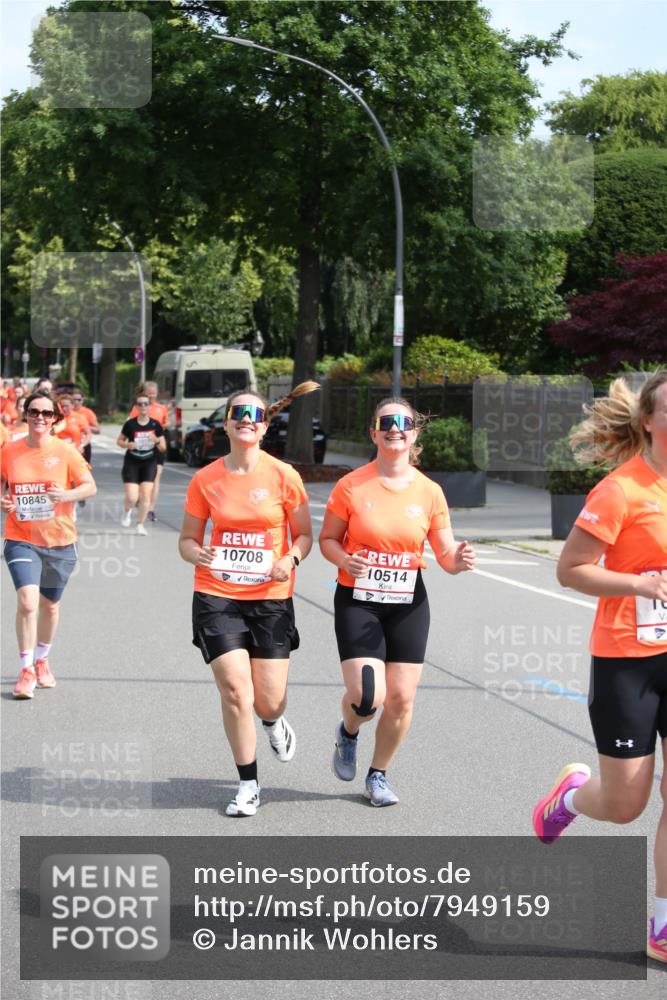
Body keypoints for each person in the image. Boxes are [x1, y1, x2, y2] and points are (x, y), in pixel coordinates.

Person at [531, 372, 667, 964]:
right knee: (626, 806)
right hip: (628, 662)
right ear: (648, 422)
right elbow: (572, 569)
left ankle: (662, 926)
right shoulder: (622, 490)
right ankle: (570, 796)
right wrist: (637, 582)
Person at [319, 397, 476, 807]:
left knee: (402, 697)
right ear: (374, 432)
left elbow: (443, 554)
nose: (395, 428)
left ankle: (378, 775)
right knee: (369, 695)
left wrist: (457, 561)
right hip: (359, 598)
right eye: (386, 422)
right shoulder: (351, 485)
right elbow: (328, 540)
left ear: (414, 434)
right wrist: (343, 559)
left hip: (407, 600)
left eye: (404, 423)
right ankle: (348, 732)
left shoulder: (430, 492)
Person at [178, 383, 317, 817]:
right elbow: (186, 539)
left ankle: (274, 723)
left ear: (264, 425)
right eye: (237, 413)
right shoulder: (207, 478)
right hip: (217, 593)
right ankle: (248, 784)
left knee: (267, 700)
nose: (245, 420)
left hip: (270, 597)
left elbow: (305, 535)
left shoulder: (283, 476)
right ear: (225, 423)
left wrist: (290, 557)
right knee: (236, 691)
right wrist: (195, 552)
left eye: (253, 415)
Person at [1, 389, 96, 698]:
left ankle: (43, 660)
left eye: (47, 413)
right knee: (28, 602)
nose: (40, 417)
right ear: (25, 415)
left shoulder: (65, 452)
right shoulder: (9, 451)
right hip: (21, 538)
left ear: (55, 419)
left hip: (60, 540)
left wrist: (66, 495)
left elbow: (89, 486)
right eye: (34, 412)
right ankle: (26, 669)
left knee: (50, 606)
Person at [117, 392, 166, 535]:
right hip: (132, 462)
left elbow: (163, 447)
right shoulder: (130, 424)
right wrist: (128, 445)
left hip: (149, 462)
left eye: (146, 404)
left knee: (145, 493)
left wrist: (156, 440)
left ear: (149, 406)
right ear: (136, 407)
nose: (143, 406)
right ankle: (127, 511)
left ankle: (140, 524)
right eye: (140, 404)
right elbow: (119, 441)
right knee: (132, 497)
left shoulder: (155, 425)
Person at [128, 381, 169, 522]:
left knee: (156, 477)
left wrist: (158, 434)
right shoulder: (138, 408)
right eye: (148, 394)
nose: (151, 397)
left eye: (154, 395)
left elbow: (165, 424)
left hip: (156, 447)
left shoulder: (161, 408)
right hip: (141, 448)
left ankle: (151, 509)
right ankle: (142, 497)